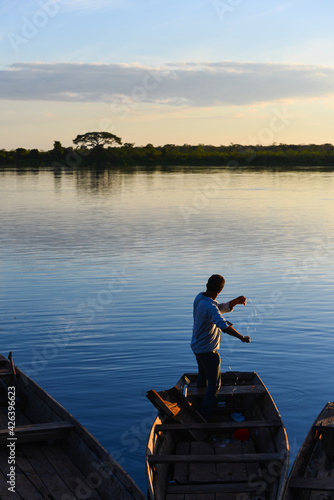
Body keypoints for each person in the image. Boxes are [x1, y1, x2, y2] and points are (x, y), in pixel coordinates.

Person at [191, 274, 251, 418]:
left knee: (203, 378)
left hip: (197, 348)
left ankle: (199, 404)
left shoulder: (200, 298)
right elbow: (223, 326)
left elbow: (218, 308)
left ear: (207, 285)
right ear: (221, 290)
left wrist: (234, 302)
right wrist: (242, 337)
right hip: (208, 351)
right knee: (214, 385)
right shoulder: (209, 306)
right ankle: (204, 414)